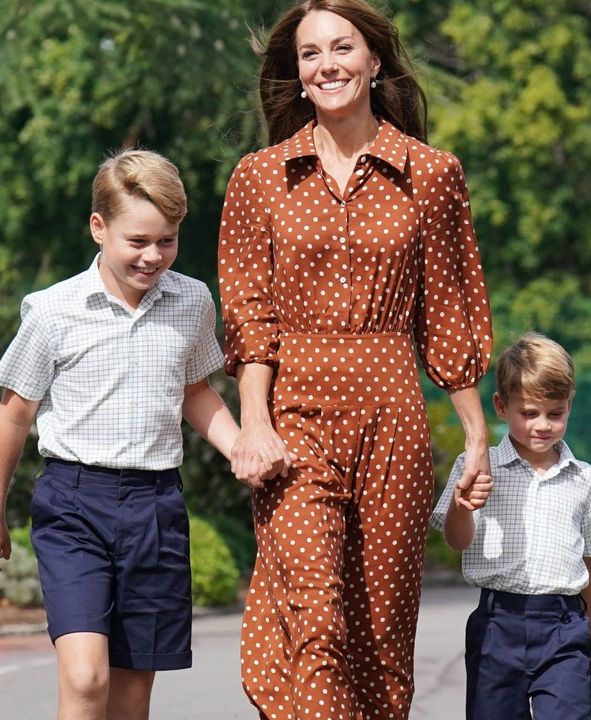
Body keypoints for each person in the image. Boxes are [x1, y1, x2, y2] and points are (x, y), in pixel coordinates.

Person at [217, 1, 494, 717]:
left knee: (378, 633)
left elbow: (450, 311)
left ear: (374, 62)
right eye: (310, 54)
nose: (327, 64)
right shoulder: (259, 177)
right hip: (294, 423)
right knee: (314, 621)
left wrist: (474, 436)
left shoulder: (431, 176)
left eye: (342, 48)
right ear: (297, 74)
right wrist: (254, 422)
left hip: (393, 423)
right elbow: (251, 322)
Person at [0, 149, 254, 720]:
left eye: (166, 240)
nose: (152, 256)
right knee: (88, 677)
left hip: (155, 507)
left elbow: (196, 391)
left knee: (132, 693)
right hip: (73, 505)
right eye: (136, 240)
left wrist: (239, 444)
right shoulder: (52, 311)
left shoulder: (190, 301)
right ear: (98, 227)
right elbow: (14, 413)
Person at [430, 331, 591, 720]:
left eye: (556, 412)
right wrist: (463, 507)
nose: (543, 425)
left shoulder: (585, 480)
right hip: (497, 626)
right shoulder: (477, 469)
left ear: (569, 406)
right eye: (529, 412)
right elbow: (457, 541)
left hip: (564, 628)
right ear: (501, 405)